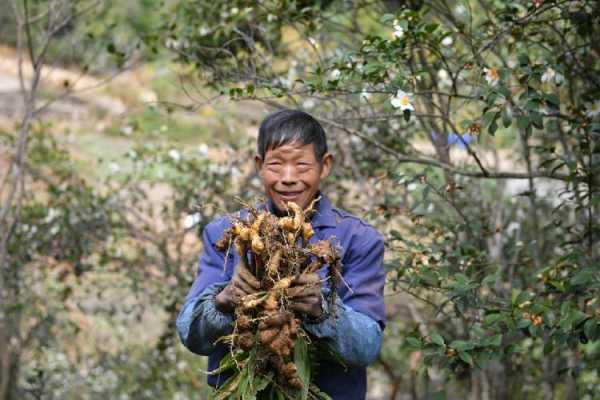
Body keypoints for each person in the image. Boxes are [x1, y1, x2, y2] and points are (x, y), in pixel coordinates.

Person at [176, 109, 386, 399]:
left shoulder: (359, 239)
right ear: (260, 165)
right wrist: (223, 302)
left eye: (301, 166)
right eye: (276, 165)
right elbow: (190, 332)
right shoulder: (227, 232)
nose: (288, 178)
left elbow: (367, 345)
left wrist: (320, 310)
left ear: (324, 166)